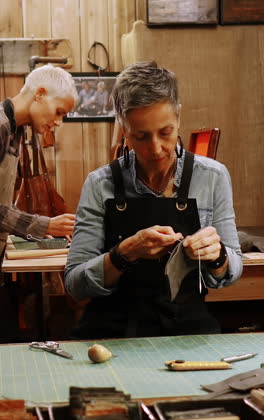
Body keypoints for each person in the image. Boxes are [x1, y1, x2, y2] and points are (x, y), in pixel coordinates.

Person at [65, 61, 243, 339]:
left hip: (187, 334)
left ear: (178, 118)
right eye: (141, 136)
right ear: (123, 127)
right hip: (113, 334)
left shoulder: (212, 177)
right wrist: (124, 253)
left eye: (165, 132)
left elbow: (232, 268)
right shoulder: (100, 185)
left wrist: (217, 255)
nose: (157, 148)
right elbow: (75, 283)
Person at [0, 64, 79, 269]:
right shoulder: (1, 127)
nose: (59, 122)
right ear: (40, 94)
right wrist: (45, 225)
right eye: (59, 112)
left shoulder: (15, 130)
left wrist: (42, 227)